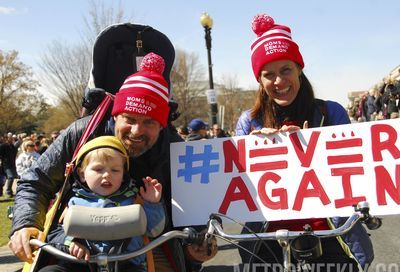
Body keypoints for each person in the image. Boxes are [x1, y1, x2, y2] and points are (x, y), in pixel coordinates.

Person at [9, 53, 216, 271]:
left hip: (144, 247)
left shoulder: (172, 146)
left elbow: (198, 198)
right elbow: (35, 181)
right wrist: (25, 224)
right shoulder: (81, 134)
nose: (137, 131)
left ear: (162, 125)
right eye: (130, 119)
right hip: (77, 246)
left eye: (149, 122)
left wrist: (199, 238)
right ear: (116, 115)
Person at [235, 14, 374, 272]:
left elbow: (355, 174)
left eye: (286, 70)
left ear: (299, 68)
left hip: (331, 235)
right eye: (269, 74)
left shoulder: (331, 113)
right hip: (267, 241)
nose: (279, 82)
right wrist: (252, 152)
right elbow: (235, 189)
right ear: (260, 80)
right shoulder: (248, 122)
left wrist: (312, 150)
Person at [39, 136, 165, 272]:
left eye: (115, 170)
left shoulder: (135, 200)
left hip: (127, 264)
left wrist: (152, 204)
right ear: (82, 174)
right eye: (98, 169)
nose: (106, 175)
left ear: (123, 175)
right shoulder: (73, 202)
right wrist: (70, 242)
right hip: (81, 263)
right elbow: (54, 232)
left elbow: (154, 231)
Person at [0, 133, 19, 198]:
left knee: (13, 177)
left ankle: (10, 191)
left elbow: (15, 155)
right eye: (9, 138)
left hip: (12, 164)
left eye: (12, 138)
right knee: (10, 177)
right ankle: (8, 191)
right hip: (6, 165)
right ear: (6, 138)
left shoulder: (13, 146)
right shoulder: (3, 146)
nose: (11, 139)